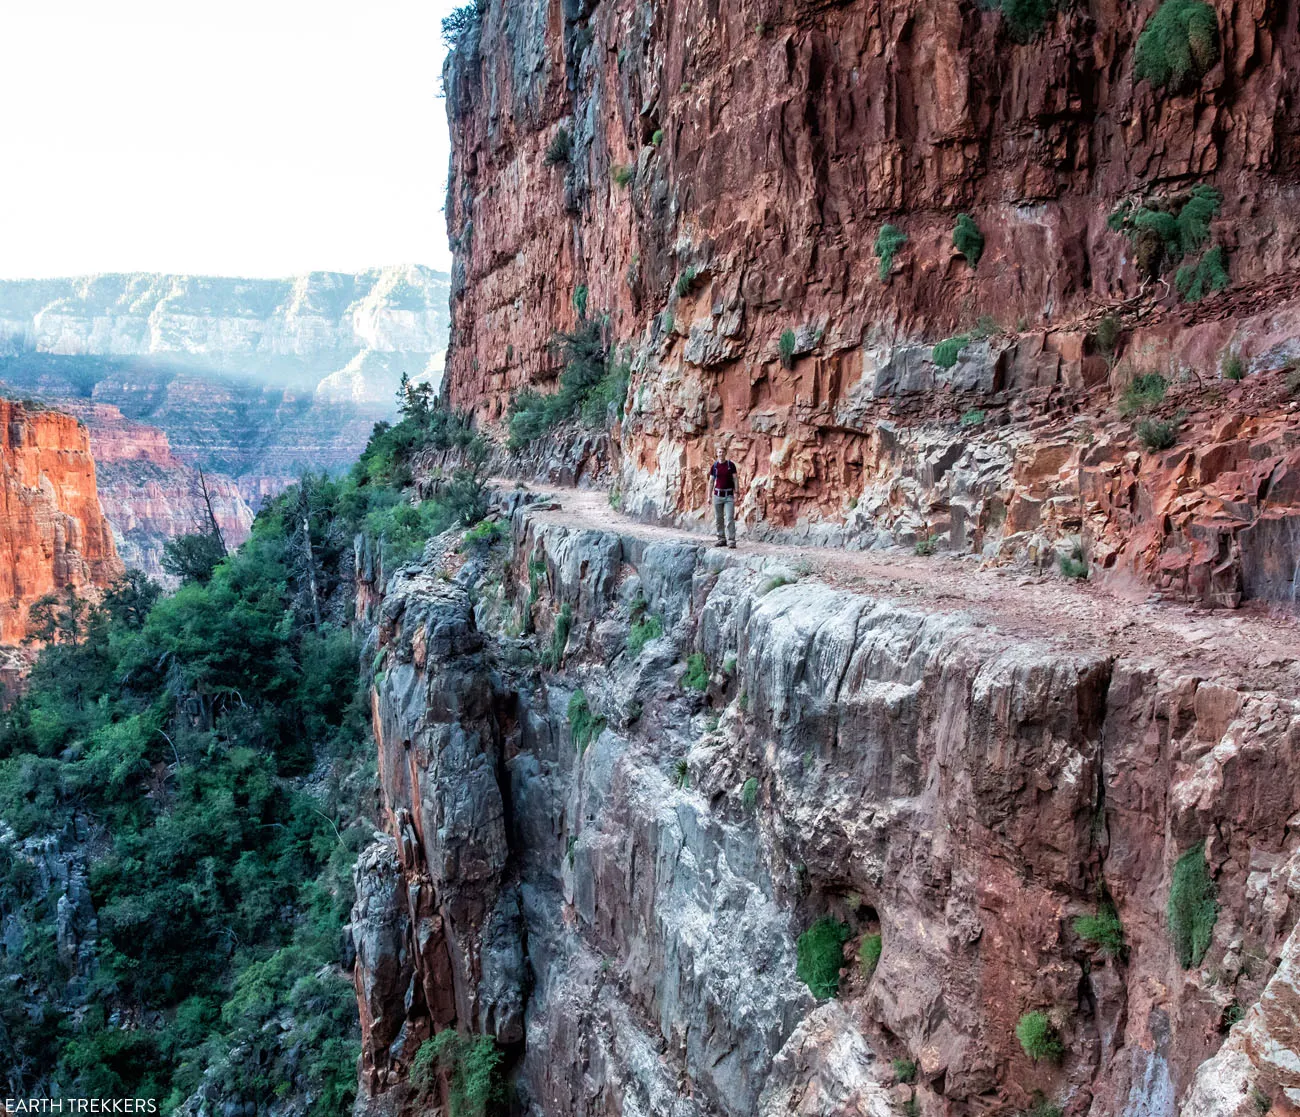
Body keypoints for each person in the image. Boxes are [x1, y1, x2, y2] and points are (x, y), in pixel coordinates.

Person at [709, 447, 739, 548]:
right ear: (717, 454)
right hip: (717, 495)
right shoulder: (715, 466)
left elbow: (735, 479)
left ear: (725, 453)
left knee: (730, 518)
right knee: (719, 519)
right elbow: (711, 481)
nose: (721, 454)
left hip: (729, 495)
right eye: (719, 452)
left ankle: (731, 540)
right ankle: (721, 539)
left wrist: (737, 492)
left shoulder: (731, 465)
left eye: (722, 452)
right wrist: (709, 496)